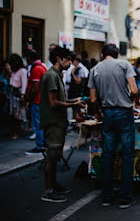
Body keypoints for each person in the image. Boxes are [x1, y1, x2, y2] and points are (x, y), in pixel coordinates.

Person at [88, 44, 138, 209]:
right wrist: (132, 100)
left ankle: (107, 197)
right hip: (124, 113)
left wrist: (98, 113)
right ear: (117, 54)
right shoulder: (124, 64)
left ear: (102, 55)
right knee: (127, 155)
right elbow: (134, 89)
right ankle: (126, 197)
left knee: (108, 156)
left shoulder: (94, 69)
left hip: (107, 114)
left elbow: (93, 99)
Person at [40, 46, 83, 203]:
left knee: (55, 155)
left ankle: (54, 185)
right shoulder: (52, 75)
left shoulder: (56, 75)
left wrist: (75, 101)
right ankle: (48, 190)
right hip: (53, 121)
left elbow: (61, 100)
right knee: (51, 157)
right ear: (59, 58)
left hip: (58, 121)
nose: (70, 63)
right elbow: (53, 103)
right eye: (68, 59)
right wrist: (72, 105)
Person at [25, 50, 47, 154]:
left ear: (30, 57)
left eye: (27, 57)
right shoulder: (42, 67)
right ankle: (43, 143)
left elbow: (35, 87)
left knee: (37, 124)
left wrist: (29, 99)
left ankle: (40, 145)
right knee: (41, 124)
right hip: (41, 100)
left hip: (37, 100)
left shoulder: (36, 69)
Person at [7, 54, 28, 139]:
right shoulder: (13, 71)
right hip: (12, 93)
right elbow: (11, 81)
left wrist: (23, 95)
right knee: (13, 114)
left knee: (18, 115)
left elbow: (24, 83)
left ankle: (17, 132)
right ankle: (16, 131)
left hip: (18, 93)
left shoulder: (22, 70)